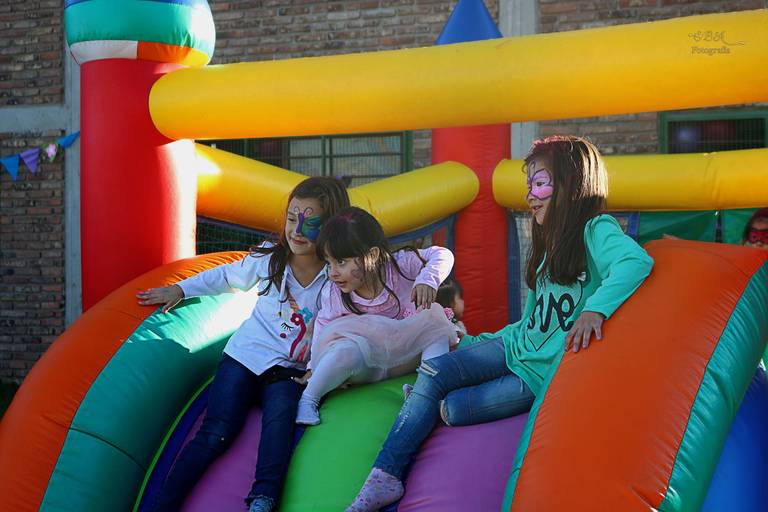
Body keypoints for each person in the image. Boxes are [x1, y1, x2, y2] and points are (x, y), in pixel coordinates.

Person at [346, 136, 654, 512]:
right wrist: (476, 340)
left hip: (537, 375)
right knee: (435, 368)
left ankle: (428, 406)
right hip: (515, 347)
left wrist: (596, 310)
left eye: (541, 184)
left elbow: (634, 262)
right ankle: (385, 476)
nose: (532, 195)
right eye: (530, 186)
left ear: (573, 185)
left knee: (455, 409)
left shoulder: (595, 229)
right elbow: (532, 323)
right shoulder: (552, 243)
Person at [137, 177, 349, 512]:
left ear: (332, 227)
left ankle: (263, 498)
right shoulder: (270, 260)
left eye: (311, 223)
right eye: (292, 219)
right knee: (216, 431)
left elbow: (354, 320)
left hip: (289, 371)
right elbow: (224, 276)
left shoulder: (337, 277)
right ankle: (162, 505)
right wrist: (181, 289)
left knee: (280, 423)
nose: (297, 230)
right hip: (244, 358)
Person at [294, 206, 456, 426]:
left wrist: (428, 279)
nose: (332, 272)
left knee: (436, 328)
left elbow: (442, 254)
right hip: (368, 366)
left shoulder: (401, 266)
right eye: (329, 263)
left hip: (405, 359)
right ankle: (309, 398)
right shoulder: (334, 294)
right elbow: (323, 326)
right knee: (344, 350)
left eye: (341, 262)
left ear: (372, 255)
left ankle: (425, 391)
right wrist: (314, 367)